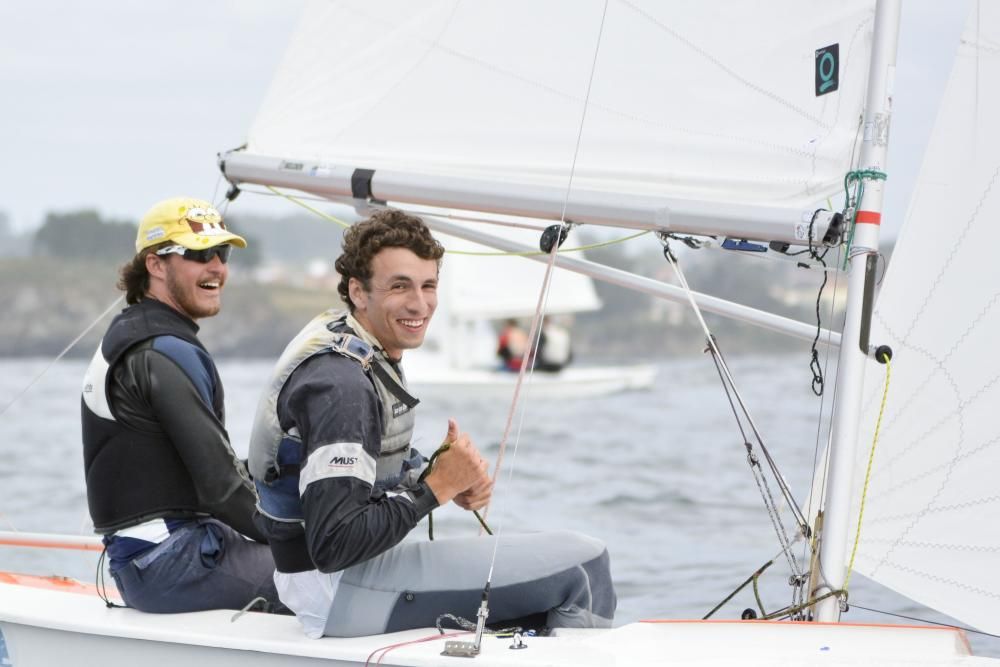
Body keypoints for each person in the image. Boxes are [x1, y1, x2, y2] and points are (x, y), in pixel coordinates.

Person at [249, 209, 616, 638]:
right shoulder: (342, 387)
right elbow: (335, 545)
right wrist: (436, 487)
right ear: (358, 291)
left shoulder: (351, 345)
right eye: (399, 286)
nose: (419, 303)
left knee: (541, 594)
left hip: (321, 582)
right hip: (337, 591)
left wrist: (438, 474)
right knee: (585, 565)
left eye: (428, 285)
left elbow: (362, 476)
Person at [81, 197, 283, 614]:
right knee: (337, 573)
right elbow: (222, 488)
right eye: (198, 254)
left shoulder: (138, 335)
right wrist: (302, 538)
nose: (217, 267)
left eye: (221, 253)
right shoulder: (164, 351)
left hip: (154, 557)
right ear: (155, 265)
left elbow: (210, 475)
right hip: (171, 562)